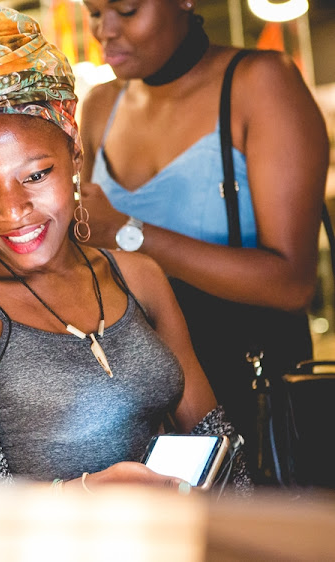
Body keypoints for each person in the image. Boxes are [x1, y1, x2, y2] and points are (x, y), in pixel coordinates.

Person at [0, 2, 250, 494]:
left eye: (35, 175)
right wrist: (83, 495)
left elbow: (216, 442)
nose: (13, 211)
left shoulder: (137, 276)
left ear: (74, 153)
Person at [78, 0, 328, 473]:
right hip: (140, 402)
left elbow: (292, 284)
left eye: (126, 11)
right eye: (94, 12)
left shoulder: (259, 82)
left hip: (245, 384)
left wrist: (129, 233)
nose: (104, 31)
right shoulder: (99, 106)